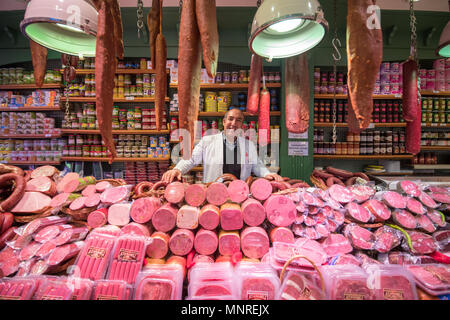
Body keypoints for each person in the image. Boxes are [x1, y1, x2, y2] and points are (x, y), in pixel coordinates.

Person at [162, 108, 283, 183]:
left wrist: (268, 174)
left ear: (241, 124)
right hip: (213, 193)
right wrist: (177, 169)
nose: (234, 123)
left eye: (238, 120)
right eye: (230, 119)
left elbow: (257, 166)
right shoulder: (207, 141)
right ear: (224, 122)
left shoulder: (248, 145)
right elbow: (191, 159)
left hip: (240, 194)